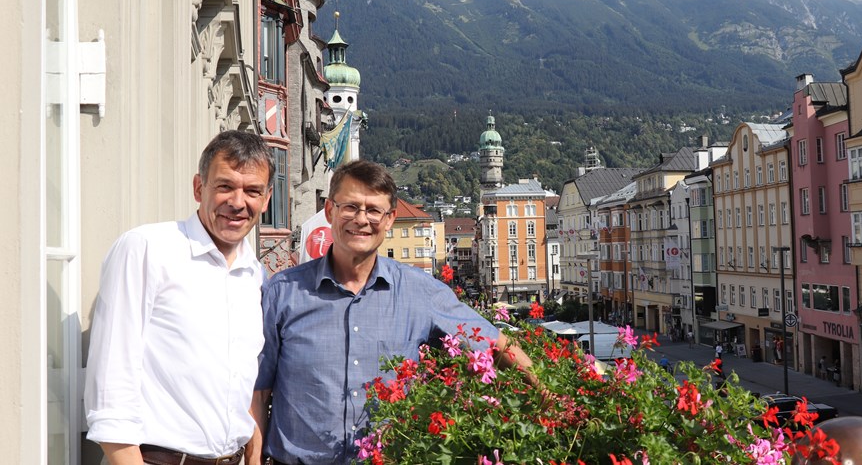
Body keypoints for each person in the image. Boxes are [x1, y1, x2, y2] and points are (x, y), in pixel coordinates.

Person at [253, 160, 536, 465]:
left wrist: (550, 398)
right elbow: (258, 391)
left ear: (389, 220)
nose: (361, 219)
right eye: (350, 207)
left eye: (373, 210)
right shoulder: (284, 291)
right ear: (330, 211)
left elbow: (496, 344)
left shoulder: (420, 291)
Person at [85, 131, 275, 465]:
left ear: (267, 198)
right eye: (225, 186)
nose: (238, 202)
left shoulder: (253, 273)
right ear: (199, 188)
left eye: (252, 191)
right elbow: (111, 380)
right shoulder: (147, 249)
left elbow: (234, 375)